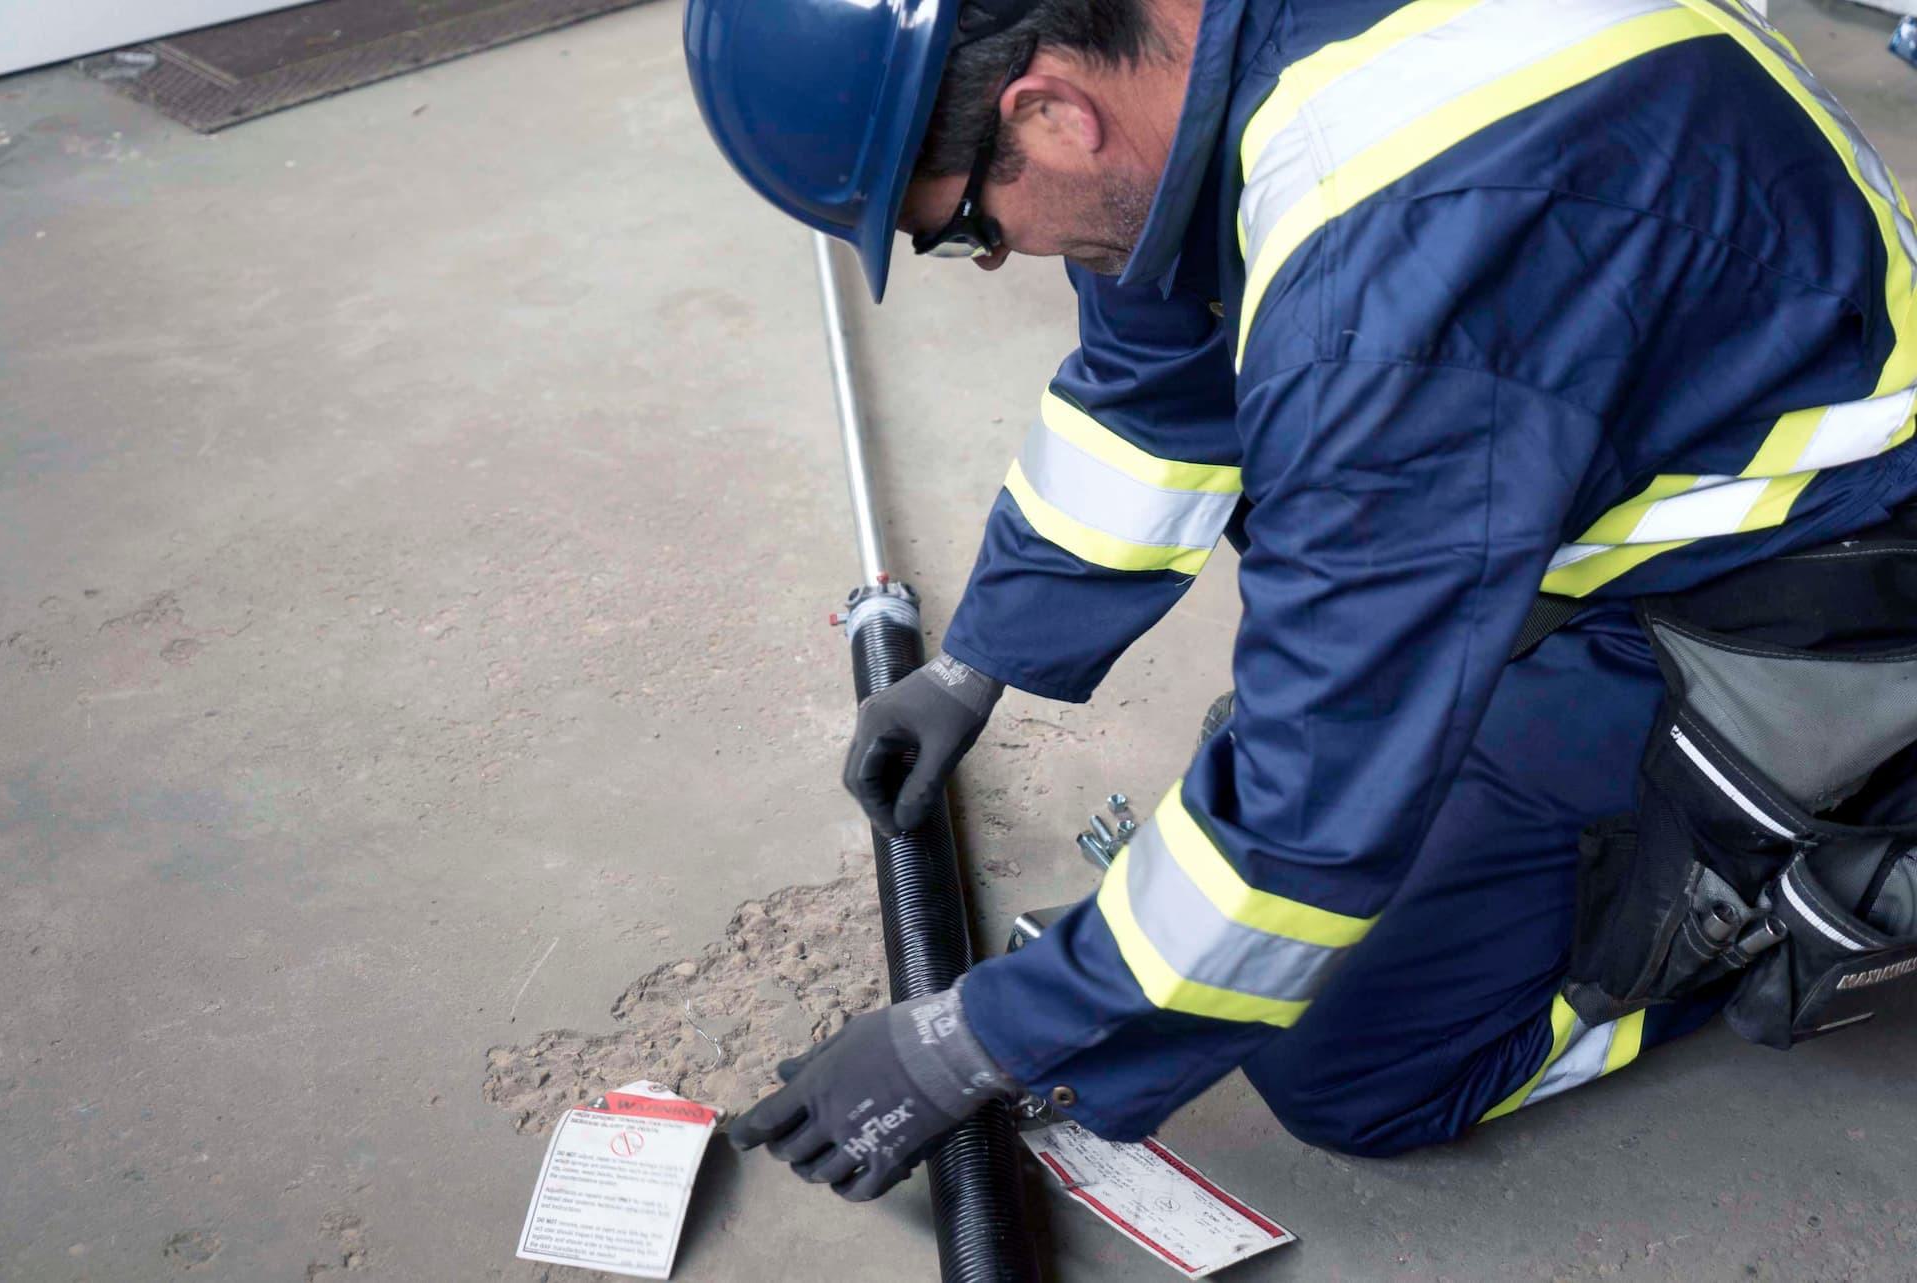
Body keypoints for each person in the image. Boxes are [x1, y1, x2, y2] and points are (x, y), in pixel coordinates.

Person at [682, 0, 1917, 1202]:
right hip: (1668, 456)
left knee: (1346, 1055)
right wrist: (976, 662)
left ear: (1050, 110)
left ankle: (1783, 895)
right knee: (1292, 828)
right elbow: (1152, 384)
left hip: (1797, 595)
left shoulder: (1390, 285)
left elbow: (1312, 802)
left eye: (961, 227)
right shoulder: (1188, 61)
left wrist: (976, 1041)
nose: (996, 256)